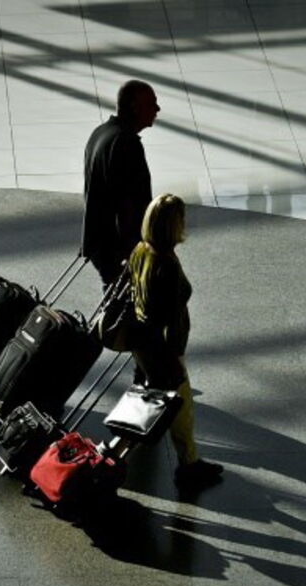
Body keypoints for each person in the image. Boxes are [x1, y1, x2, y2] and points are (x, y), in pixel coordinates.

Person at [128, 193, 223, 491]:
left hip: (141, 342)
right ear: (172, 225)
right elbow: (174, 318)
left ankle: (138, 441)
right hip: (162, 348)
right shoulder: (165, 265)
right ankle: (188, 466)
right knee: (181, 407)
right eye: (181, 219)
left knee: (149, 392)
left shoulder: (141, 251)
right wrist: (177, 357)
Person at [82, 80, 160, 286]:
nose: (157, 109)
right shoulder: (127, 143)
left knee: (113, 298)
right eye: (152, 103)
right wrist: (138, 250)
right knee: (125, 307)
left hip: (99, 240)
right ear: (135, 106)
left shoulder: (101, 133)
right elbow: (131, 204)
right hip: (117, 248)